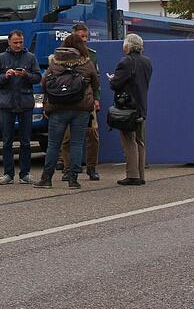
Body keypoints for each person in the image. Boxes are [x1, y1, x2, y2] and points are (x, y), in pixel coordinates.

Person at [36, 33, 99, 190]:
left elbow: (44, 84)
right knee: (77, 143)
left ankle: (47, 178)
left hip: (58, 108)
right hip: (81, 109)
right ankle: (73, 179)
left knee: (53, 144)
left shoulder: (56, 62)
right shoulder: (87, 63)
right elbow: (96, 83)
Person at [0, 29, 42, 185]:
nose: (18, 45)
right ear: (9, 42)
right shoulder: (1, 58)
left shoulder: (30, 58)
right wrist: (5, 76)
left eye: (20, 42)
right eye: (15, 42)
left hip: (25, 103)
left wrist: (26, 75)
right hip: (7, 103)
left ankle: (25, 173)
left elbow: (38, 77)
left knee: (25, 141)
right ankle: (8, 174)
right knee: (7, 141)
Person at [109, 33, 153, 186]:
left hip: (128, 108)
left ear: (127, 46)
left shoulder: (125, 62)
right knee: (140, 141)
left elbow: (116, 84)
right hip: (141, 106)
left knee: (129, 140)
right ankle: (140, 174)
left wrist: (112, 79)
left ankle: (132, 174)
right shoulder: (147, 62)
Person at [59, 22, 101, 181]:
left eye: (85, 37)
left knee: (92, 134)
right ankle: (68, 168)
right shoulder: (63, 55)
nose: (83, 40)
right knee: (68, 137)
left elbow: (96, 80)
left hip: (87, 99)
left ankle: (92, 167)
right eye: (80, 36)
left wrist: (96, 98)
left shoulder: (92, 55)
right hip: (68, 99)